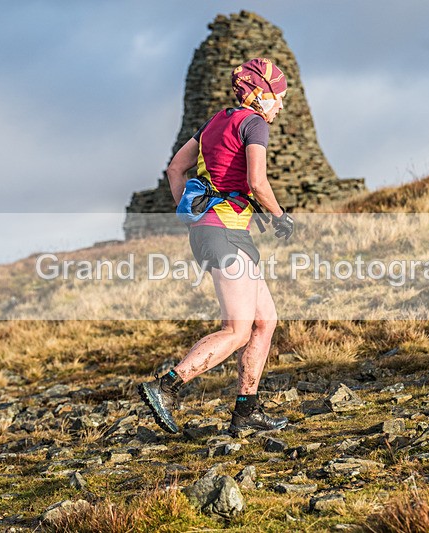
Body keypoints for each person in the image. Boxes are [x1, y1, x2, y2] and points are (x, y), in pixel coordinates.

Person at [139, 58, 295, 436]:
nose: (280, 106)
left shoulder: (216, 121)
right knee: (237, 329)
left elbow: (176, 168)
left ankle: (247, 411)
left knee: (264, 321)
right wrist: (280, 216)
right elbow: (258, 182)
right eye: (279, 97)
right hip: (225, 230)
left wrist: (190, 215)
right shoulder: (254, 123)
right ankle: (167, 386)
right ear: (261, 95)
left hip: (219, 229)